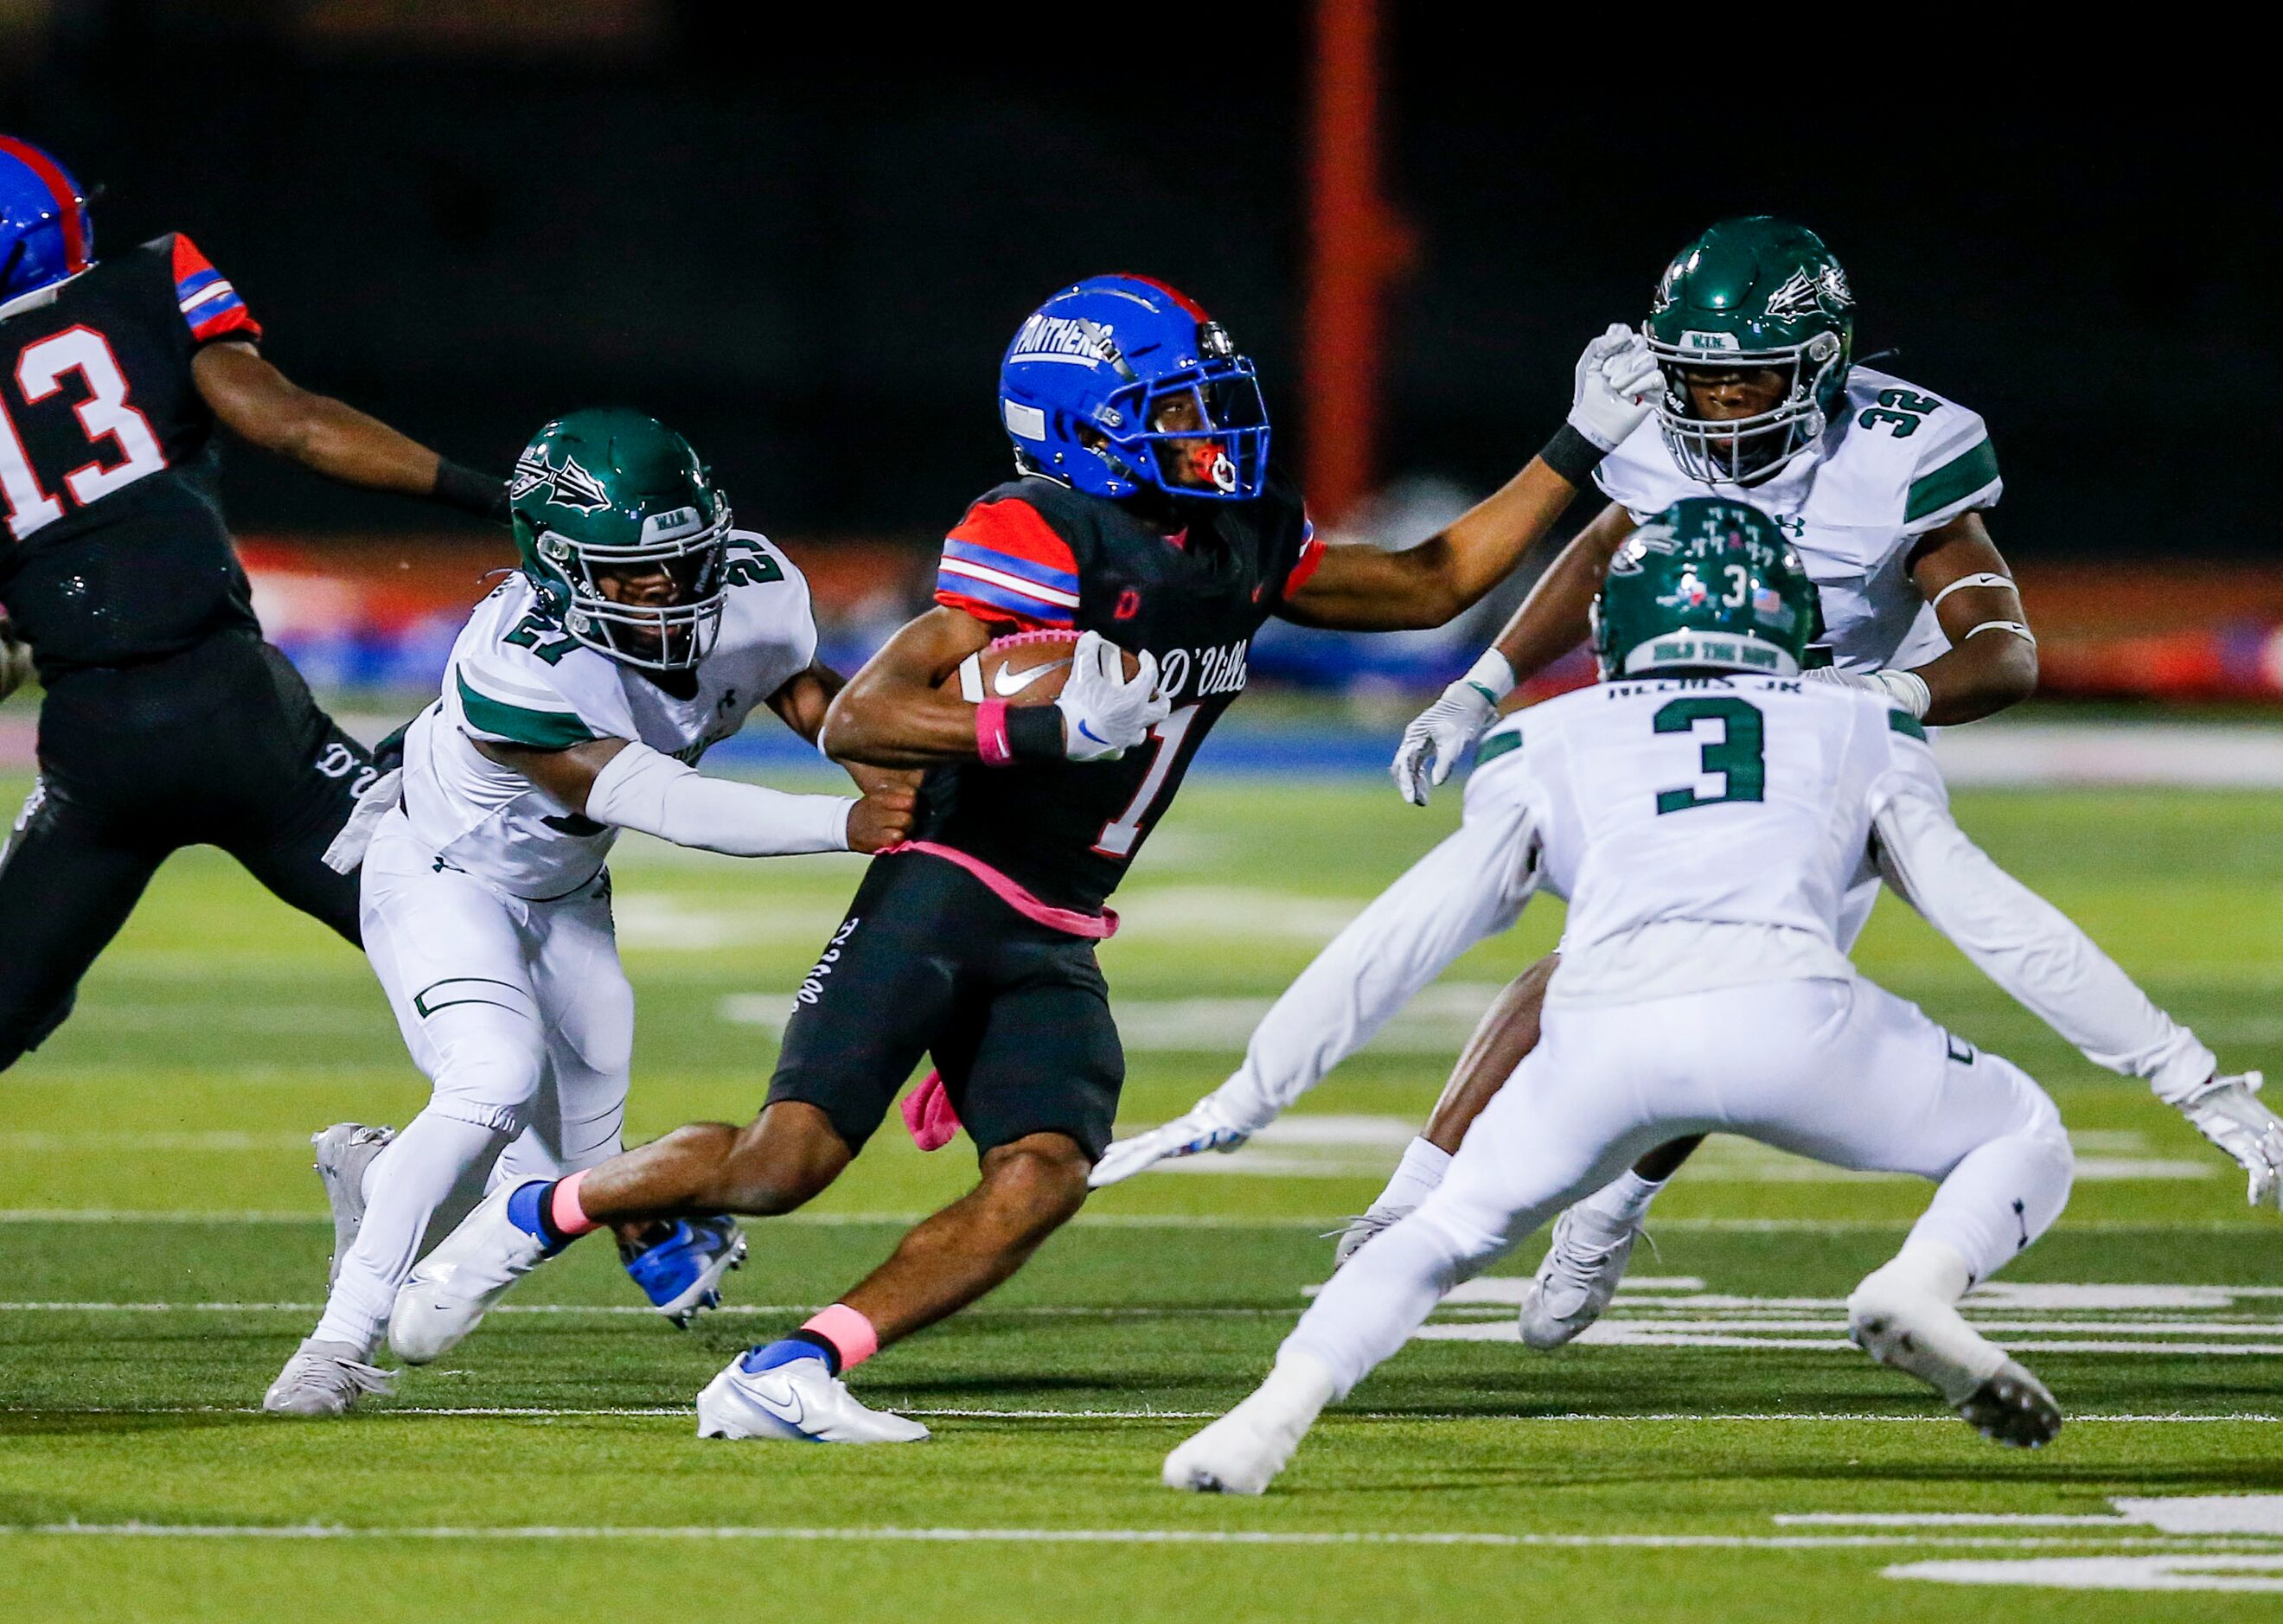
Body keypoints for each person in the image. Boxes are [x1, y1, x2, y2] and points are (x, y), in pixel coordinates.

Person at [385, 273, 1666, 1443]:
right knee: (781, 1168)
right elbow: (864, 712)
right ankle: (537, 1213)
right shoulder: (1041, 531)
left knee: (1048, 1172)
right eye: (1172, 414)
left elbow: (1432, 579)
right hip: (945, 881)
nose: (1207, 435)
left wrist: (1573, 449)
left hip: (1060, 913)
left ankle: (796, 1366)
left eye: (1208, 407)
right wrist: (1045, 724)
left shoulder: (1240, 535)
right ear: (1081, 428)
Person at [1161, 499, 2283, 1493]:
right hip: (1795, 1022)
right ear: (1787, 621)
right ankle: (1915, 1286)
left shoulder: (1544, 735)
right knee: (2021, 1134)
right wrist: (2184, 1072)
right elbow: (1994, 919)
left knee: (1445, 1227)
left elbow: (1400, 936)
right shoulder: (1858, 718)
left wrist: (1250, 1093)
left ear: (1618, 622)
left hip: (1597, 1033)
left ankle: (1265, 1420)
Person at [1099, 216, 2043, 1340]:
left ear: (1822, 364)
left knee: (1730, 1001)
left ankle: (1604, 1209)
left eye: (1743, 383)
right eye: (1692, 377)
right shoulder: (1657, 420)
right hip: (1660, 720)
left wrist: (1891, 695)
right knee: (1600, 953)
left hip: (1823, 763)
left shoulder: (1900, 452)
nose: (1712, 407)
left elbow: (2003, 650)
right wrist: (1482, 684)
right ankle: (1417, 1194)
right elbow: (1601, 548)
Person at [261, 408, 916, 1415]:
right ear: (557, 566)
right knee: (492, 1076)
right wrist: (846, 824)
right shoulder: (515, 658)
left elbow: (805, 694)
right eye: (629, 571)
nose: (667, 589)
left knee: (565, 1178)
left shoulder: (753, 588)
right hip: (441, 870)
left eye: (684, 559)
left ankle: (384, 1179)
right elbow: (651, 798)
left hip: (564, 890)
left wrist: (900, 771)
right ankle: (331, 1349)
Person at [0, 135, 513, 1068]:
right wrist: (499, 499)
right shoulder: (148, 284)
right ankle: (628, 1202)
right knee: (468, 948)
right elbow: (295, 425)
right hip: (236, 715)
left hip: (94, 748)